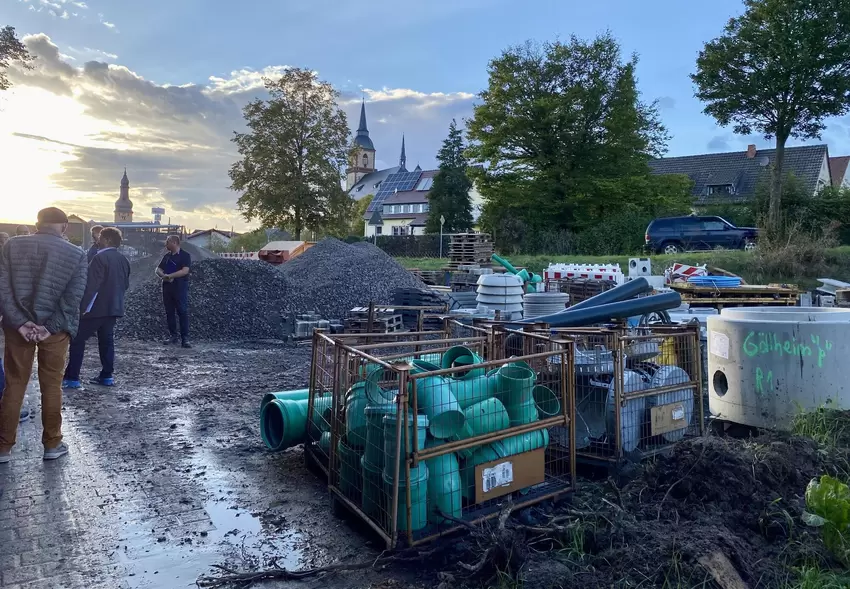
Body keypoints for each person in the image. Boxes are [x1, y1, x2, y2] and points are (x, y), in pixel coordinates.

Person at [0, 207, 87, 464]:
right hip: (55, 332)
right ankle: (52, 444)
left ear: (37, 223)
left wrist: (20, 322)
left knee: (15, 384)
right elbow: (73, 298)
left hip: (18, 330)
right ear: (64, 227)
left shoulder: (12, 246)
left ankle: (3, 448)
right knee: (52, 386)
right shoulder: (76, 254)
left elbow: (3, 289)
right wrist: (49, 327)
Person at [62, 228, 130, 389]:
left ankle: (72, 378)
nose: (97, 239)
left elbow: (92, 285)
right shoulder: (123, 259)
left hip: (96, 309)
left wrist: (82, 307)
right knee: (107, 341)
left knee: (78, 340)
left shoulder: (100, 258)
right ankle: (107, 376)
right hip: (114, 308)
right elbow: (125, 284)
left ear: (106, 239)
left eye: (100, 237)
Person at [156, 235, 192, 348]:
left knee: (182, 312)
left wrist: (171, 276)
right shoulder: (166, 257)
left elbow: (185, 271)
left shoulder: (185, 256)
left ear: (175, 243)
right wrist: (164, 276)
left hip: (180, 288)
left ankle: (184, 338)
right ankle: (173, 336)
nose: (166, 244)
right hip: (167, 288)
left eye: (167, 242)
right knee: (169, 312)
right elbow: (158, 269)